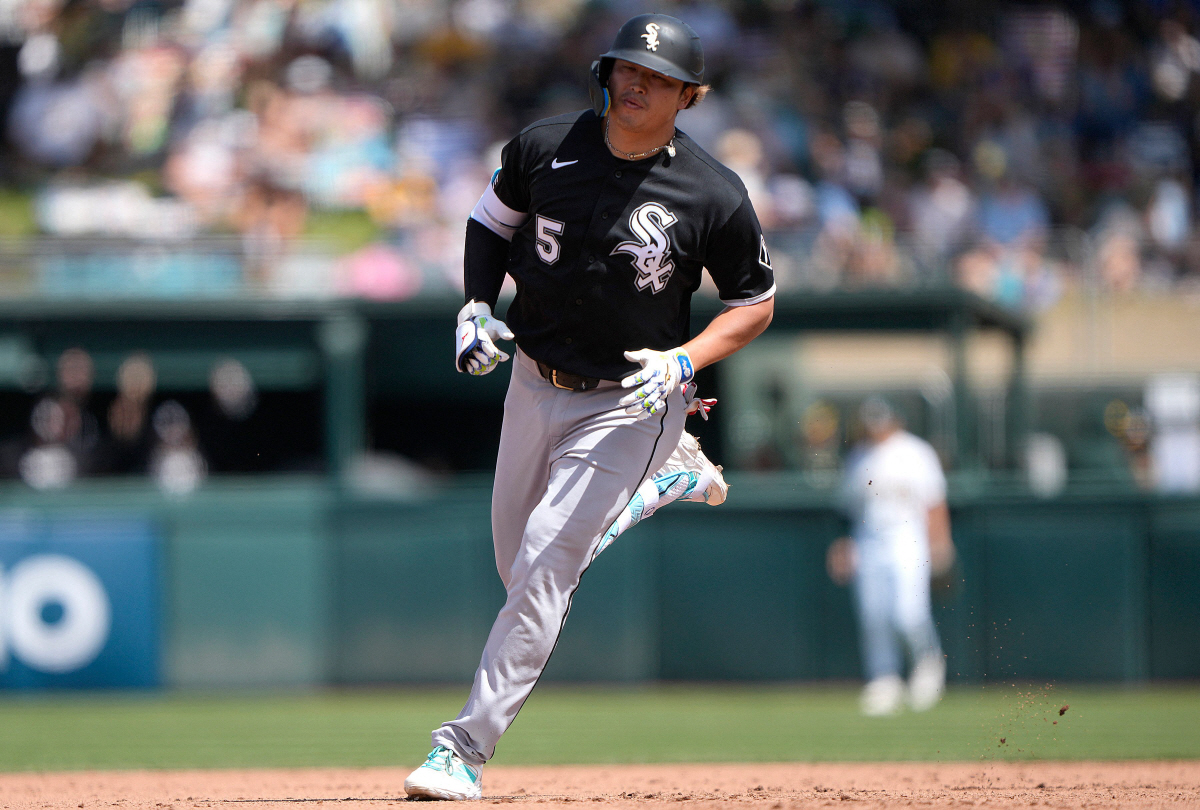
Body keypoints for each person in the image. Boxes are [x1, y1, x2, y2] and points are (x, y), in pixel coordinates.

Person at [405, 14, 775, 800]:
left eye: (658, 77)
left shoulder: (712, 191)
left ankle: (461, 750)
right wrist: (475, 305)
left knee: (544, 565)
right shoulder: (544, 146)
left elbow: (755, 303)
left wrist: (686, 358)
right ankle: (664, 484)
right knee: (521, 570)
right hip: (535, 382)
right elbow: (487, 222)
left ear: (690, 95)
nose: (635, 83)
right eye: (625, 68)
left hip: (632, 400)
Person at [826, 397, 955, 717]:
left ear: (895, 420)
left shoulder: (916, 452)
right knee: (873, 615)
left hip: (908, 537)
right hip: (868, 538)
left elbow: (934, 502)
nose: (876, 428)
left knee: (908, 612)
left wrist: (940, 544)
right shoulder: (858, 456)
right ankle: (884, 678)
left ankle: (927, 665)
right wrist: (845, 545)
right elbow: (848, 509)